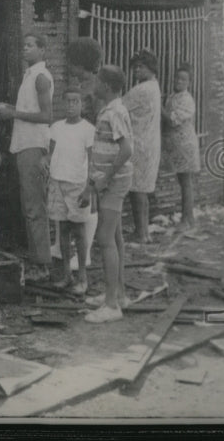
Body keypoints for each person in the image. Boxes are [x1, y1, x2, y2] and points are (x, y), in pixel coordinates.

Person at [0, 34, 54, 281]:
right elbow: (31, 110)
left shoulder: (40, 77)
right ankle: (39, 260)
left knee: (34, 206)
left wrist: (12, 113)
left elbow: (47, 116)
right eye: (23, 45)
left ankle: (43, 265)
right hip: (24, 144)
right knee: (30, 204)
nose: (24, 49)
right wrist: (8, 108)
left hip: (33, 145)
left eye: (30, 45)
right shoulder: (31, 75)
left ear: (42, 49)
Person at [84, 65, 134, 323]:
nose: (94, 82)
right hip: (111, 182)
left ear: (107, 87)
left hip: (114, 183)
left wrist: (106, 177)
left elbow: (126, 149)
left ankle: (112, 305)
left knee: (104, 239)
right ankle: (118, 293)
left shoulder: (114, 112)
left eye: (98, 79)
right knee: (115, 237)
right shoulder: (110, 109)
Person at [45, 89, 96, 294]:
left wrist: (88, 187)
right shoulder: (56, 127)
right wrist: (44, 163)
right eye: (68, 101)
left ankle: (82, 276)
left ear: (82, 104)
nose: (71, 105)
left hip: (77, 185)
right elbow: (50, 153)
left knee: (79, 230)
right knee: (63, 230)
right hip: (58, 182)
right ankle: (67, 274)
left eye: (76, 101)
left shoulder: (88, 129)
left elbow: (93, 161)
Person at [124, 49, 162, 245]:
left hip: (139, 144)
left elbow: (120, 107)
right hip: (149, 142)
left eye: (141, 67)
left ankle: (141, 233)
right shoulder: (154, 86)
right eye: (135, 67)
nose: (137, 70)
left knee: (137, 190)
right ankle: (143, 232)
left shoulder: (141, 90)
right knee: (142, 190)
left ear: (151, 68)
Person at [162, 63, 201, 231]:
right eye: (177, 78)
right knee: (182, 180)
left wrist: (159, 106)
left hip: (185, 146)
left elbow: (172, 120)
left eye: (183, 79)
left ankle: (187, 218)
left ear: (189, 83)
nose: (179, 81)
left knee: (186, 181)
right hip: (177, 146)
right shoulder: (172, 96)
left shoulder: (187, 100)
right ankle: (188, 218)